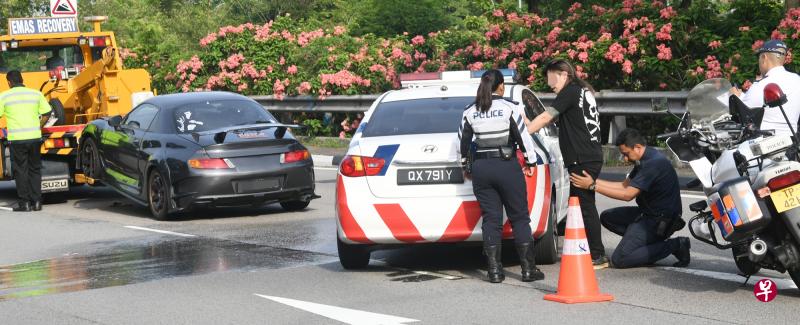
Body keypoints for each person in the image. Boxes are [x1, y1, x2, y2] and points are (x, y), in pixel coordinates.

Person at [459, 69, 544, 283]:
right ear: (501, 87)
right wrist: (531, 161)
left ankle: (494, 271)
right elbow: (523, 137)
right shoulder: (509, 108)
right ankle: (528, 270)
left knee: (491, 219)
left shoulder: (470, 111)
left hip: (481, 169)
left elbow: (463, 142)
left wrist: (466, 167)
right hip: (507, 166)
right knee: (520, 218)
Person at [525, 59, 608, 269]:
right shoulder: (581, 90)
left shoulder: (569, 92)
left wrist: (523, 134)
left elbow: (546, 117)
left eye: (551, 78)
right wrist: (526, 121)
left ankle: (597, 254)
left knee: (585, 206)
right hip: (589, 155)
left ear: (563, 74)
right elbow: (550, 119)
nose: (550, 84)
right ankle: (583, 250)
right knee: (578, 206)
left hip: (582, 158)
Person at [570, 129, 691, 268]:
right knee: (607, 217)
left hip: (660, 222)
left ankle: (676, 245)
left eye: (626, 154)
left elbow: (627, 194)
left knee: (620, 259)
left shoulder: (653, 164)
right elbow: (623, 185)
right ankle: (641, 245)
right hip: (648, 215)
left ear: (638, 147)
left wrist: (592, 186)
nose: (625, 159)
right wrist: (593, 181)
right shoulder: (645, 158)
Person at [0, 70, 52, 212]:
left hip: (17, 140)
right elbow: (47, 112)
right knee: (35, 169)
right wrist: (39, 126)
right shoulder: (35, 94)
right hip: (35, 138)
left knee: (20, 171)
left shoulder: (4, 96)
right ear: (22, 80)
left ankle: (25, 203)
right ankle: (37, 202)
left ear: (9, 82)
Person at [730, 39, 800, 136]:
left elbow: (745, 112)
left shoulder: (761, 85)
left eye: (759, 58)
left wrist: (736, 96)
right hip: (792, 141)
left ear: (764, 57)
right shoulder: (797, 79)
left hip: (765, 142)